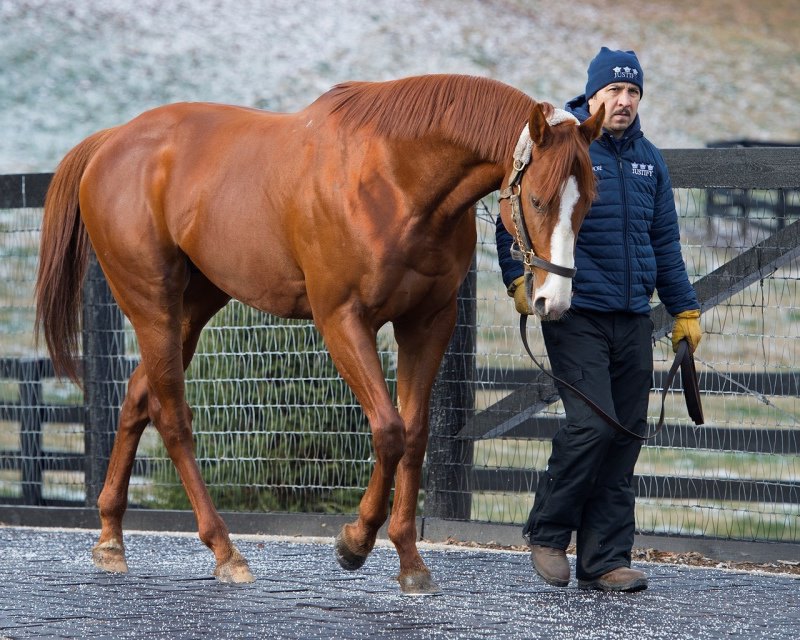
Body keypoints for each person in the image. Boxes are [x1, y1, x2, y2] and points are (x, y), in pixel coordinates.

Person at [496, 47, 702, 592]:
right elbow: (514, 214)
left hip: (633, 315)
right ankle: (547, 532)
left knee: (626, 434)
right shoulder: (563, 143)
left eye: (633, 92)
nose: (624, 101)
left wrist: (683, 308)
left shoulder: (650, 161)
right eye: (614, 90)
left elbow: (665, 242)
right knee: (591, 426)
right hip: (577, 311)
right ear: (593, 96)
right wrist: (517, 279)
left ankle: (605, 559)